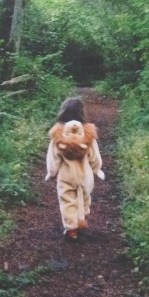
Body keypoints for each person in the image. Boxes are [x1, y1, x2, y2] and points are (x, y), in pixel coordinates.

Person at [44, 97, 105, 240]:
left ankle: (71, 229)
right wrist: (97, 169)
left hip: (66, 176)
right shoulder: (87, 133)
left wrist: (51, 173)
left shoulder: (58, 134)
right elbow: (94, 156)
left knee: (67, 201)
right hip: (85, 176)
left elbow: (53, 156)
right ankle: (81, 221)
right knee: (83, 199)